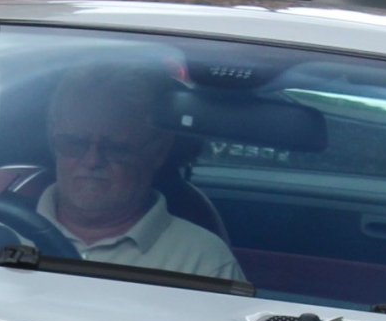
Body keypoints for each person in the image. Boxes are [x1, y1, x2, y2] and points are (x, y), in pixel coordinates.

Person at [32, 66, 244, 281]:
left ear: (158, 151)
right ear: (53, 142)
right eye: (73, 144)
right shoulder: (0, 228)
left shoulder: (204, 262)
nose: (92, 161)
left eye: (115, 148)